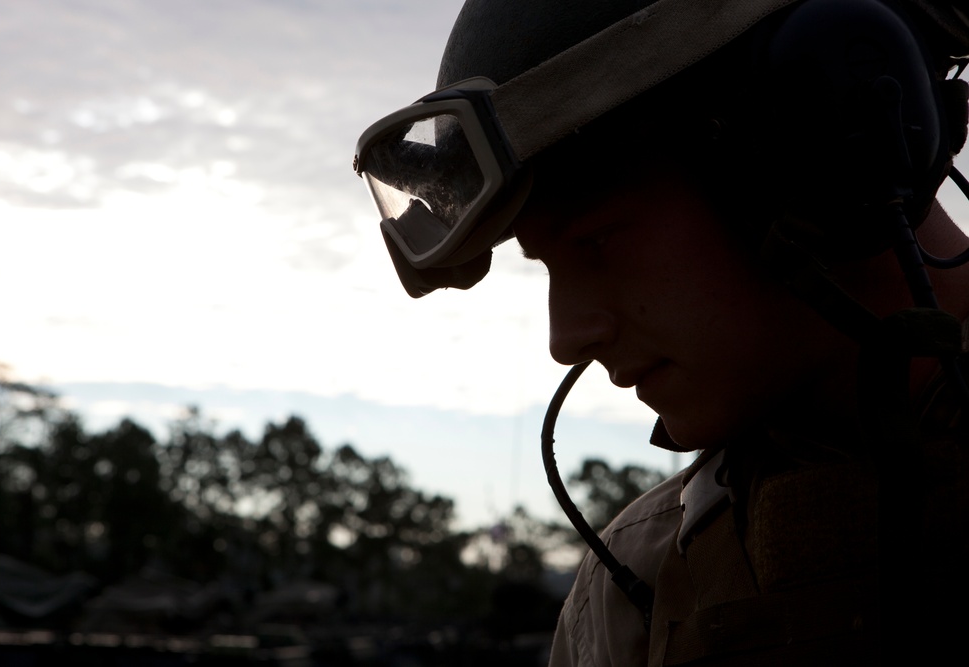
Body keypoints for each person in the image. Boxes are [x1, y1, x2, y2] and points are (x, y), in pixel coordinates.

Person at [354, 0, 969, 664]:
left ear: (817, 146)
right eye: (549, 265)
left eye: (598, 243)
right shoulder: (630, 590)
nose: (566, 338)